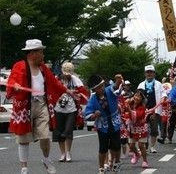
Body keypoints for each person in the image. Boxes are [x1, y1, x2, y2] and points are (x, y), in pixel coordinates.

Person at [6, 39, 74, 174]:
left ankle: (46, 159)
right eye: (41, 52)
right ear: (32, 53)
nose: (43, 55)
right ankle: (24, 167)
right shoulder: (19, 66)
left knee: (45, 136)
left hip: (42, 103)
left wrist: (67, 91)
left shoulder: (43, 68)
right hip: (25, 105)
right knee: (23, 138)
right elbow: (12, 81)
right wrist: (16, 86)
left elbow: (54, 83)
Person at [84, 74, 123, 174]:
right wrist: (94, 115)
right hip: (103, 125)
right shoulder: (93, 99)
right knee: (103, 148)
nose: (102, 88)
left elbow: (116, 86)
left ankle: (117, 163)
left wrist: (118, 80)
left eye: (102, 86)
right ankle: (101, 167)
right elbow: (87, 114)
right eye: (99, 87)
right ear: (95, 89)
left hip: (115, 122)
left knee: (117, 145)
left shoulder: (109, 90)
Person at [53, 61, 87, 163]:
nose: (67, 76)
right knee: (59, 130)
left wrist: (77, 93)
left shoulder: (76, 80)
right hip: (58, 107)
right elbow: (51, 90)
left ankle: (68, 152)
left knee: (68, 130)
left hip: (71, 108)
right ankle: (62, 153)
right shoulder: (57, 79)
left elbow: (83, 92)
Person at [137, 64, 165, 153]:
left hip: (155, 110)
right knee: (143, 129)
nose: (149, 74)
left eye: (151, 72)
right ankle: (143, 146)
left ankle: (152, 146)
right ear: (145, 74)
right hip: (143, 111)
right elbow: (137, 96)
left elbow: (163, 94)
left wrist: (164, 97)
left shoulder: (158, 84)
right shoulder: (141, 85)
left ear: (154, 73)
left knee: (154, 129)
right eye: (147, 72)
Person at [125, 89, 149, 168]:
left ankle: (145, 161)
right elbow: (125, 113)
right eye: (135, 95)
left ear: (142, 99)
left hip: (141, 128)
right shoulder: (130, 104)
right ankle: (137, 154)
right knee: (131, 146)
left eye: (139, 96)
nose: (136, 97)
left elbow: (137, 116)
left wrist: (129, 109)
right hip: (132, 128)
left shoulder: (142, 107)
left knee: (141, 145)